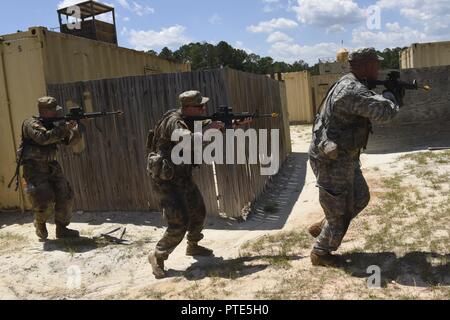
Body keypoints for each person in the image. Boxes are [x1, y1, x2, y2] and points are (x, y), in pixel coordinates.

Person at [307, 48, 404, 267]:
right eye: (376, 64)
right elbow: (384, 112)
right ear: (365, 65)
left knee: (360, 198)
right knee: (339, 213)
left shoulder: (352, 83)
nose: (378, 69)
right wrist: (392, 96)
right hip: (331, 160)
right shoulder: (351, 90)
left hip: (343, 157)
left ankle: (325, 227)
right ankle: (321, 252)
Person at [146, 90, 251, 279]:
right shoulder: (173, 122)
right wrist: (211, 128)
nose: (204, 109)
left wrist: (234, 124)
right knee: (179, 222)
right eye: (200, 106)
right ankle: (157, 256)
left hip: (182, 175)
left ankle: (193, 245)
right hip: (165, 180)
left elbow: (209, 127)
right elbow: (189, 139)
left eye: (203, 106)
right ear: (188, 108)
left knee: (199, 212)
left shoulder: (192, 119)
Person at [20, 97, 82, 240]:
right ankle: (40, 223)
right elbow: (43, 138)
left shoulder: (55, 125)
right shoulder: (30, 124)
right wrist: (62, 127)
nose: (56, 113)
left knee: (66, 197)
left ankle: (62, 229)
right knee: (44, 202)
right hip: (35, 169)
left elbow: (70, 142)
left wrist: (76, 129)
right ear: (45, 111)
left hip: (52, 166)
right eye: (54, 110)